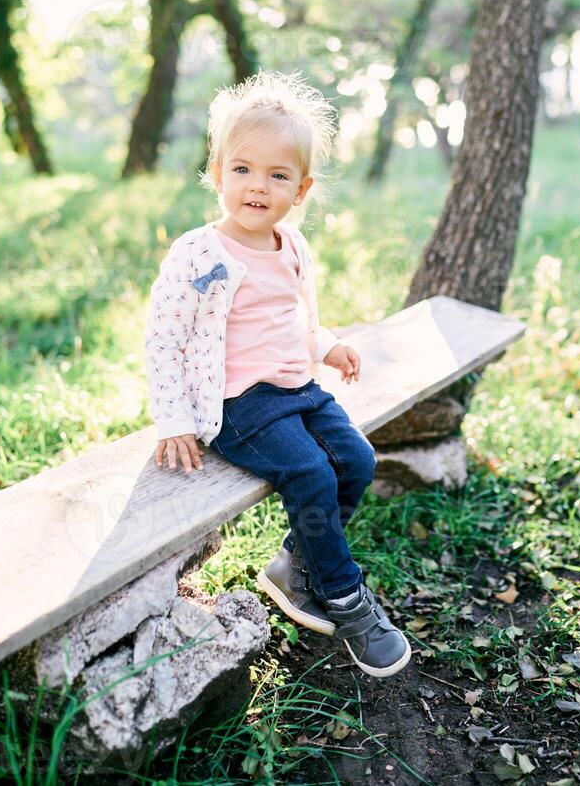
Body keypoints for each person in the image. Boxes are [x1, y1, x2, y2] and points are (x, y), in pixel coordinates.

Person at [145, 71, 411, 678]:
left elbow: (288, 319)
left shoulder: (290, 246)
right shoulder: (200, 254)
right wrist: (174, 420)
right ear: (216, 174)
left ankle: (294, 567)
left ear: (302, 189)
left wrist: (328, 344)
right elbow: (164, 339)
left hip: (298, 390)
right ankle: (346, 601)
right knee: (311, 471)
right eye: (241, 170)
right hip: (237, 404)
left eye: (277, 175)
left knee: (358, 460)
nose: (257, 187)